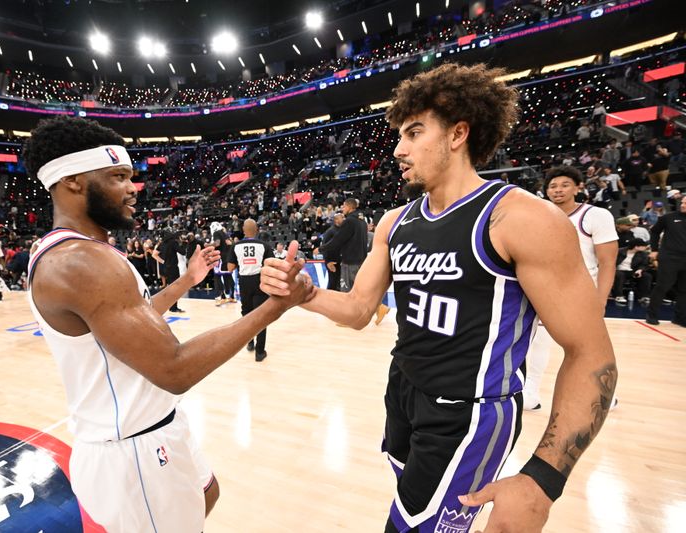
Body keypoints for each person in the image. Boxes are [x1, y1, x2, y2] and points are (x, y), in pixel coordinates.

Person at [261, 63, 617, 533]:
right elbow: (358, 311)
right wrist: (304, 294)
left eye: (413, 133)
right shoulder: (394, 222)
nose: (398, 149)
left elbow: (592, 356)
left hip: (470, 414)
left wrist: (543, 479)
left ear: (458, 134)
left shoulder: (520, 219)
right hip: (403, 394)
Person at [21, 115, 313, 533]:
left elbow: (133, 320)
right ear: (72, 182)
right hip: (132, 447)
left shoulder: (84, 252)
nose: (132, 189)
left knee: (206, 494)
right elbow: (175, 369)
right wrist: (274, 307)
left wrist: (186, 282)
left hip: (151, 427)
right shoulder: (81, 263)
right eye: (118, 177)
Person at [524, 166, 618, 411]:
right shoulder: (540, 216)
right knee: (538, 343)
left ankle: (607, 393)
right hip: (547, 290)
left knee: (587, 350)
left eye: (564, 185)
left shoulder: (595, 215)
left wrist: (601, 299)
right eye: (553, 186)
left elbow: (607, 261)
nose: (558, 190)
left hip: (582, 294)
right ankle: (530, 391)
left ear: (578, 187)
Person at [228, 219, 274, 362]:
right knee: (261, 316)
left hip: (244, 282)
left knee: (246, 314)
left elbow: (230, 268)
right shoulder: (264, 246)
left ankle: (249, 342)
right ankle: (260, 353)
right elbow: (271, 265)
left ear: (243, 230)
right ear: (257, 230)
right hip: (259, 281)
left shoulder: (235, 246)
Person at [646, 194, 686, 326]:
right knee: (663, 286)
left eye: (685, 204)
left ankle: (679, 318)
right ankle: (651, 315)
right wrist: (654, 250)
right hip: (669, 258)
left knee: (684, 290)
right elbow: (655, 232)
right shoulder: (668, 218)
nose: (682, 205)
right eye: (682, 203)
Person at [320, 199, 367, 293]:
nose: (342, 208)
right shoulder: (362, 221)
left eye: (344, 206)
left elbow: (337, 241)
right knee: (359, 290)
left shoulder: (349, 221)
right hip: (361, 262)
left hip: (350, 262)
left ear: (349, 207)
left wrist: (321, 248)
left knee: (347, 292)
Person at [613, 238, 652, 305]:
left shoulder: (643, 254)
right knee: (619, 275)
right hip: (619, 270)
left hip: (632, 271)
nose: (645, 247)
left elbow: (644, 264)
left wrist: (640, 270)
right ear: (636, 247)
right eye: (643, 246)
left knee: (647, 276)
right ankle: (619, 296)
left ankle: (644, 296)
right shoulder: (619, 251)